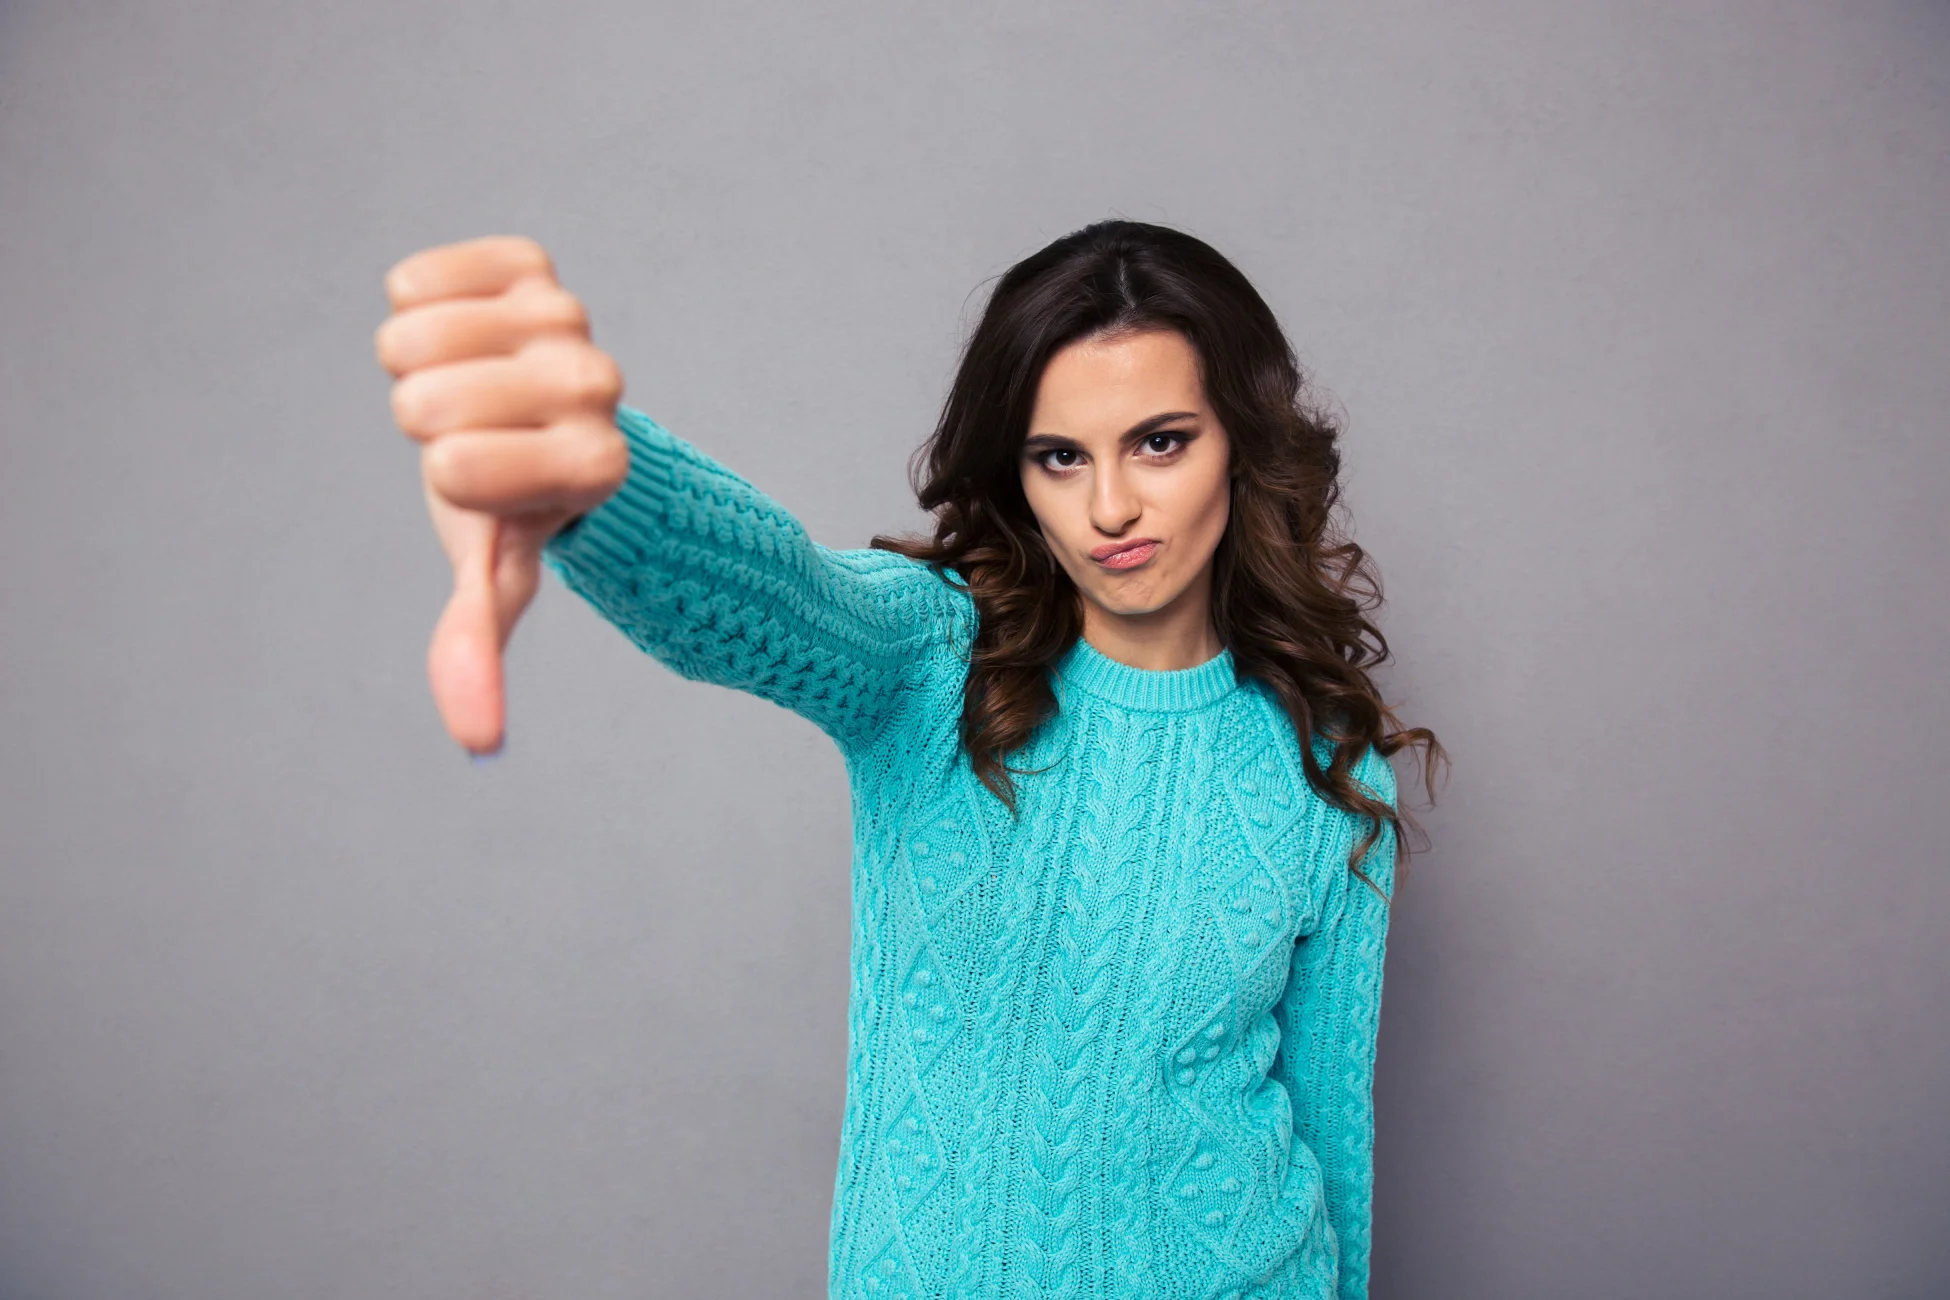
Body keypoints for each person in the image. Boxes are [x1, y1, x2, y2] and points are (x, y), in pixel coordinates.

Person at [375, 219, 1445, 1300]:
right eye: (1060, 456)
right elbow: (775, 592)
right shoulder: (934, 659)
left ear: (1243, 444)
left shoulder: (1329, 770)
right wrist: (597, 477)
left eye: (1160, 442)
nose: (1111, 506)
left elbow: (1331, 1140)